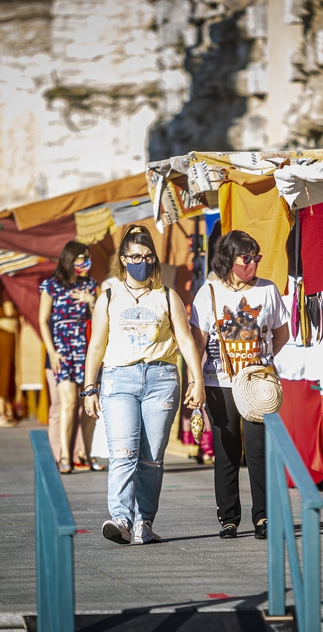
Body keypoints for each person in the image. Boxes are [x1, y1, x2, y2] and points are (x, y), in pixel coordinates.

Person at [83, 225, 206, 545]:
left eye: (148, 256)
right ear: (123, 260)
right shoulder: (108, 296)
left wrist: (197, 380)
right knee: (123, 452)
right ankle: (121, 518)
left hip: (161, 380)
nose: (142, 262)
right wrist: (89, 387)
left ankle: (144, 522)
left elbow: (185, 339)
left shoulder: (167, 296)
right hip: (118, 380)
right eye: (136, 256)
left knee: (152, 458)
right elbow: (96, 345)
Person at [189, 230, 290, 540]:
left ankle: (263, 517)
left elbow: (281, 333)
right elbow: (197, 343)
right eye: (246, 258)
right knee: (227, 451)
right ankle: (229, 517)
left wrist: (263, 363)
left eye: (256, 257)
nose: (253, 263)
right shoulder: (209, 293)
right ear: (228, 260)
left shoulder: (268, 290)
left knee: (260, 451)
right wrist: (196, 384)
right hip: (218, 382)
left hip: (257, 384)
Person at [40, 241, 102, 474]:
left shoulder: (90, 285)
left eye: (88, 258)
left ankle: (84, 454)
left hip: (86, 350)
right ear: (69, 259)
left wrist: (91, 301)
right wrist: (52, 351)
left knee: (89, 403)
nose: (85, 263)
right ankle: (65, 455)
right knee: (67, 402)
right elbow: (42, 321)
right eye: (81, 258)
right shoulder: (51, 286)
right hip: (62, 350)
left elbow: (100, 316)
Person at [0, 282, 20, 427]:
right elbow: (9, 311)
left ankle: (7, 409)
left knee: (7, 371)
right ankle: (0, 412)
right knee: (5, 371)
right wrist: (24, 310)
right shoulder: (5, 288)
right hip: (6, 331)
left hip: (2, 330)